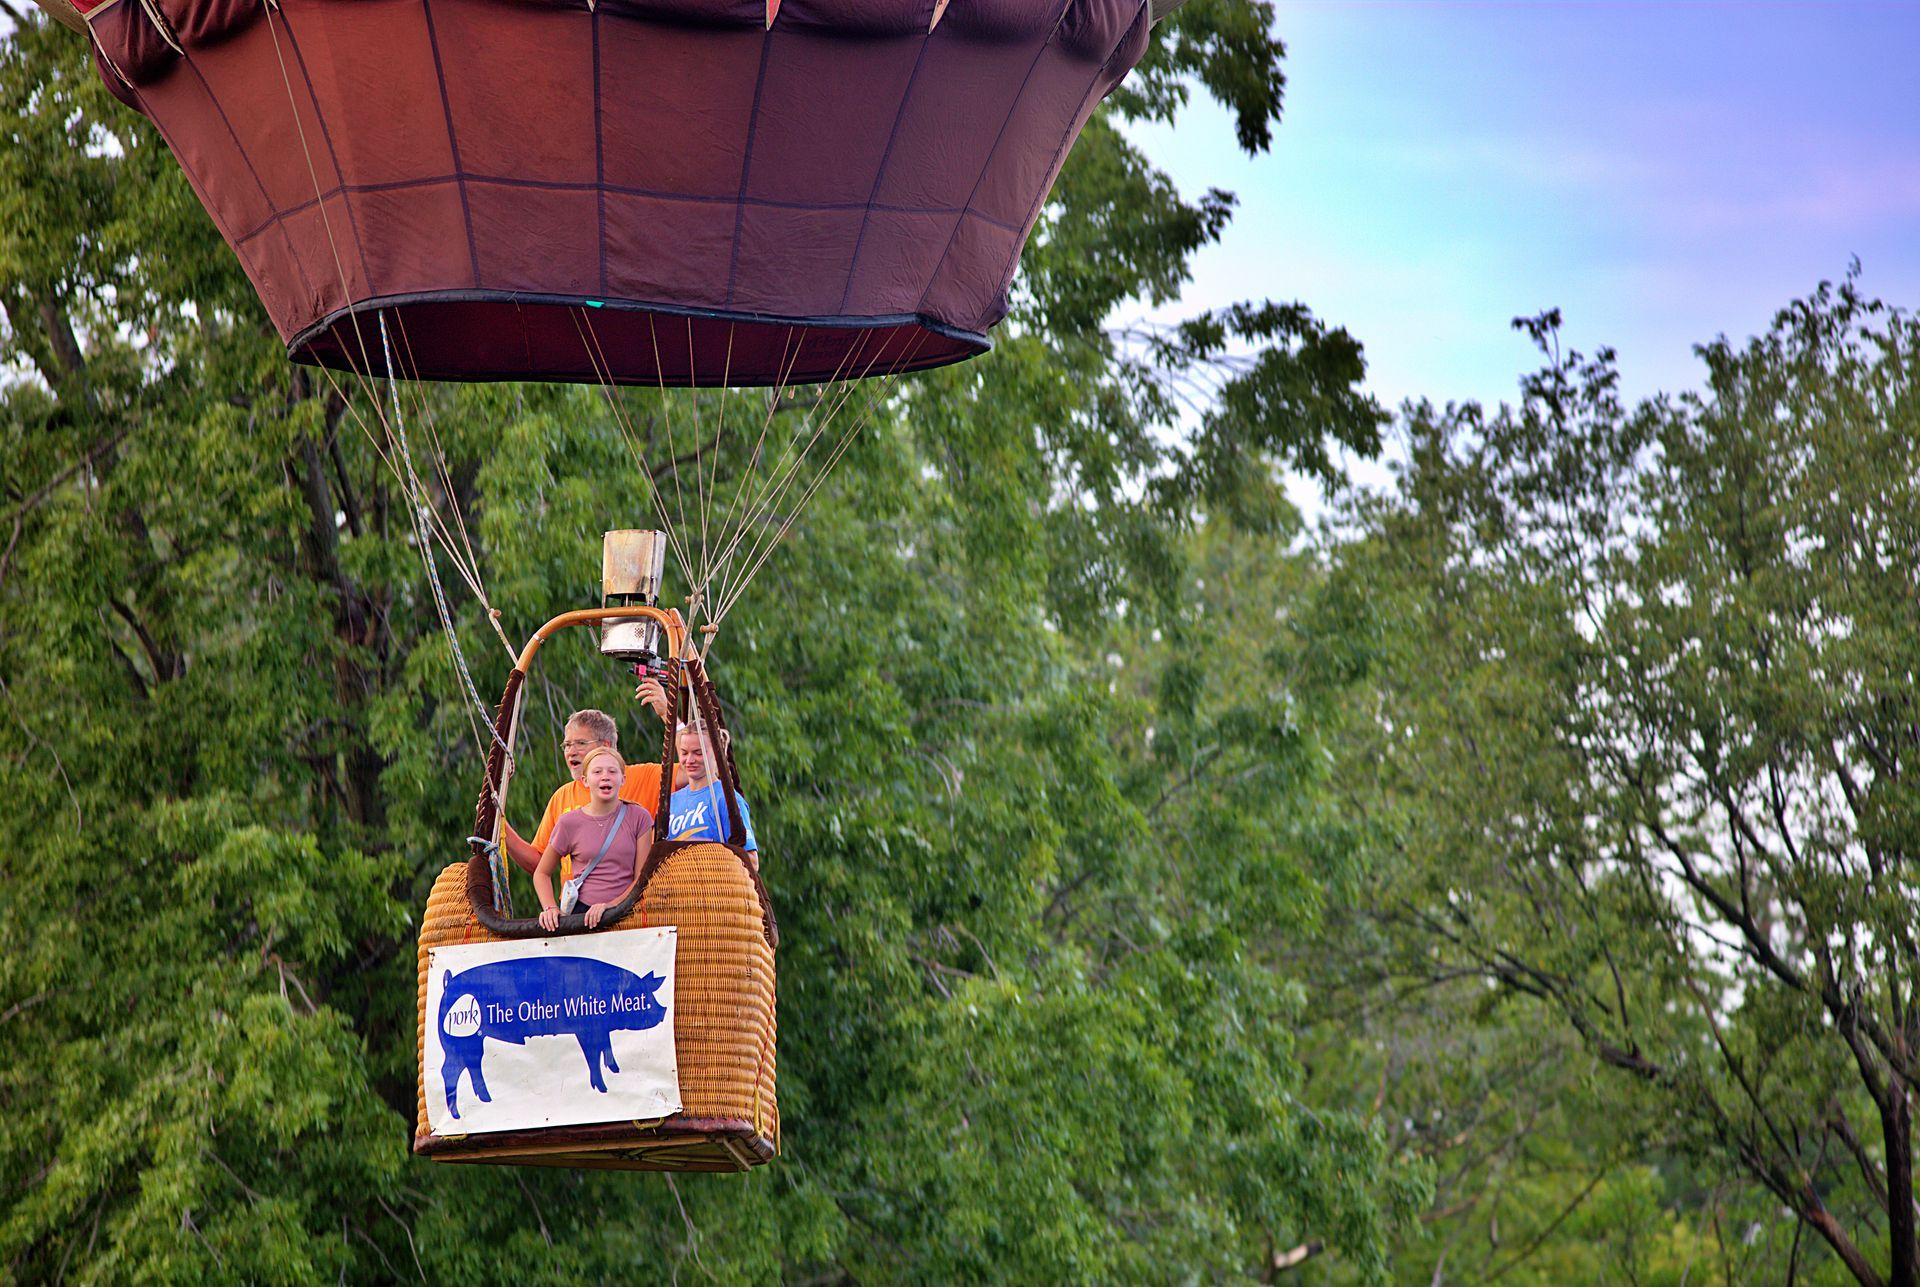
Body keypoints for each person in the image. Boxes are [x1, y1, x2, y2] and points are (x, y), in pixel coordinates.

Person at [502, 692, 668, 885]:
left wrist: (667, 713)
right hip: (577, 911)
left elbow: (697, 764)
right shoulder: (562, 796)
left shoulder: (644, 777)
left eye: (580, 743)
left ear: (606, 746)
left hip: (629, 909)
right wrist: (500, 825)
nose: (571, 751)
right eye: (567, 745)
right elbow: (539, 864)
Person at [536, 746, 654, 931]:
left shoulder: (639, 817)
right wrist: (550, 908)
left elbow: (641, 878)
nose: (605, 776)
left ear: (623, 779)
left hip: (626, 912)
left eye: (612, 771)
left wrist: (611, 906)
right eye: (597, 772)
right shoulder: (569, 822)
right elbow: (541, 873)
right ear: (585, 780)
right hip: (582, 914)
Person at [667, 722, 759, 870]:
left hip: (715, 888)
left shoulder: (727, 799)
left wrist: (705, 851)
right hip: (680, 889)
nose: (689, 760)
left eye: (698, 753)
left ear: (717, 753)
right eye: (684, 753)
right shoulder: (672, 801)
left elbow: (752, 862)